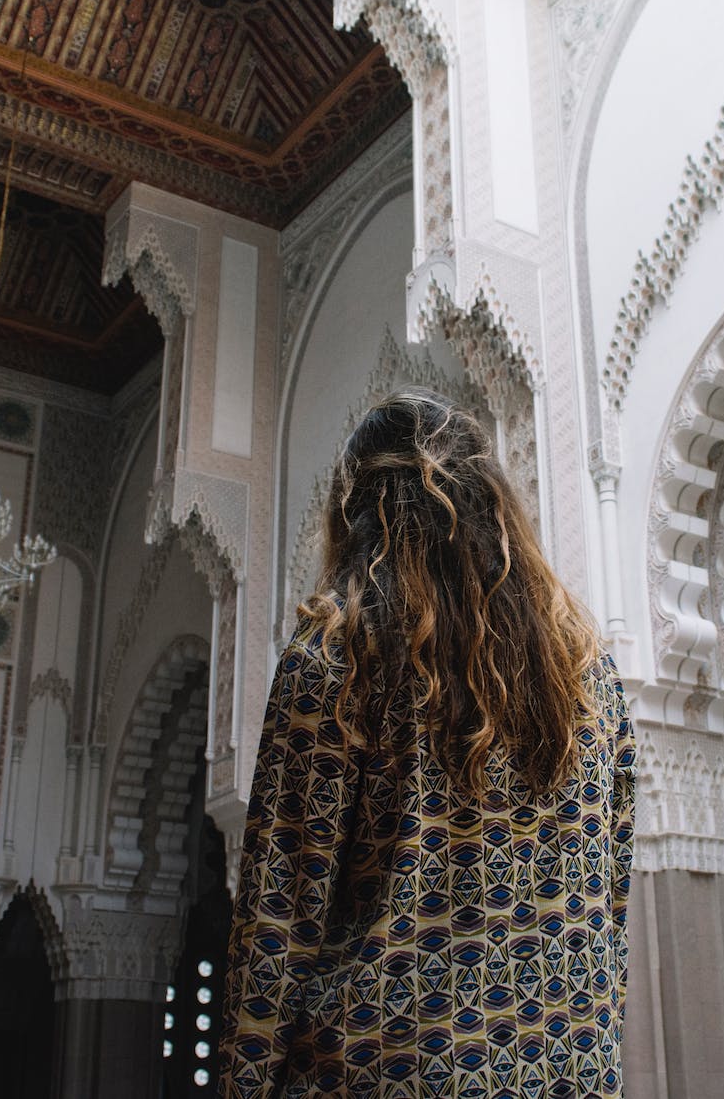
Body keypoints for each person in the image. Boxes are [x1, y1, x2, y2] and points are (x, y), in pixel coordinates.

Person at [218, 390, 635, 1098]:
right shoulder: (589, 674)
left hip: (387, 1070)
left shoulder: (338, 658)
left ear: (355, 512)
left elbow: (276, 927)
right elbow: (610, 900)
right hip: (567, 1073)